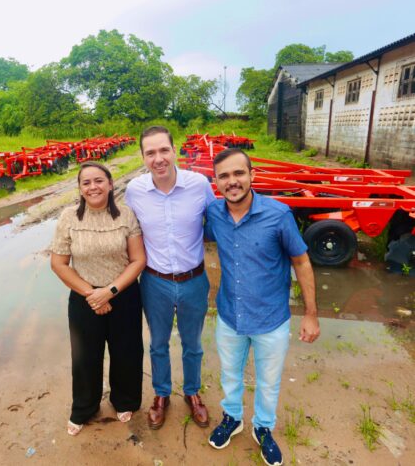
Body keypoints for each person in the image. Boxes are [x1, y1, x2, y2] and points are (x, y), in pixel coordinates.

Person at [205, 148, 320, 466]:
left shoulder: (278, 214)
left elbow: (301, 261)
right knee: (230, 374)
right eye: (224, 176)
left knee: (268, 381)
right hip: (230, 316)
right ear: (216, 182)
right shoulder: (214, 213)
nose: (232, 181)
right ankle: (232, 418)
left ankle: (264, 427)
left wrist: (310, 314)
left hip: (271, 319)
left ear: (252, 175)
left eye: (238, 173)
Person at [125, 125, 216, 429]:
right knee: (158, 343)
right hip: (155, 282)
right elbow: (128, 232)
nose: (158, 158)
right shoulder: (135, 190)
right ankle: (161, 394)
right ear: (143, 157)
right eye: (150, 152)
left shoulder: (198, 184)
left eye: (164, 150)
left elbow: (219, 221)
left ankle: (192, 393)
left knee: (193, 343)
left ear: (174, 151)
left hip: (194, 280)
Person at [50, 161, 146, 436]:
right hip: (84, 298)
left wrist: (109, 291)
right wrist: (92, 294)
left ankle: (124, 400)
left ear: (111, 184)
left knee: (126, 352)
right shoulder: (69, 217)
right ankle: (84, 407)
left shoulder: (126, 215)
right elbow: (59, 263)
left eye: (99, 181)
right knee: (84, 357)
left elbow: (138, 259)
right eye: (86, 182)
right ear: (80, 188)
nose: (93, 187)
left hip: (123, 295)